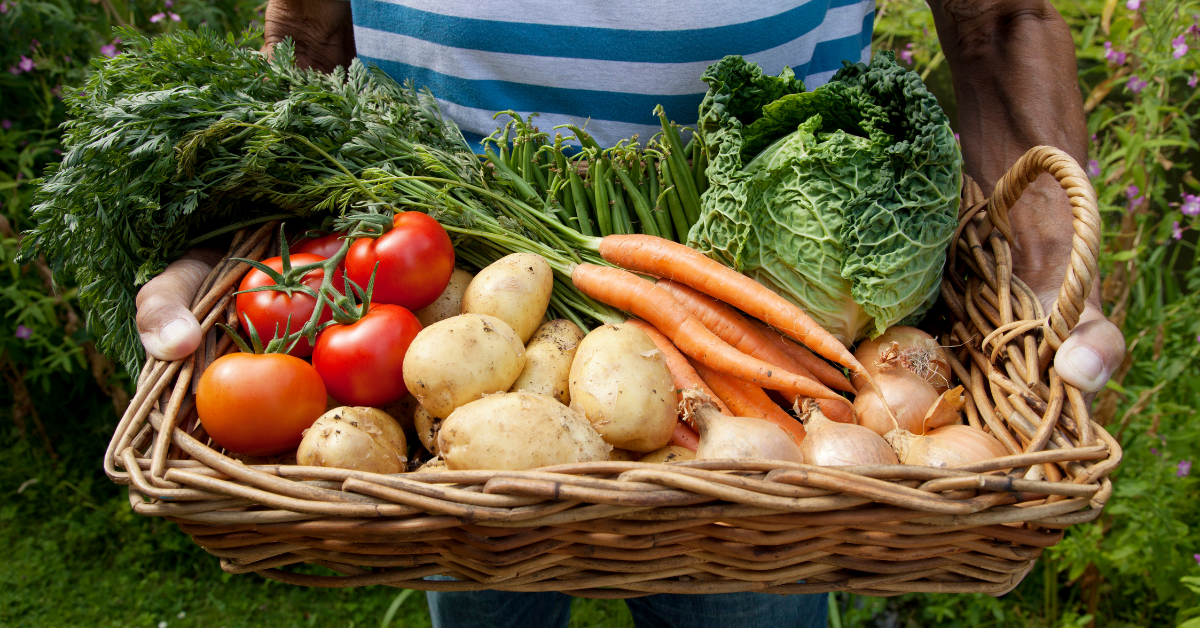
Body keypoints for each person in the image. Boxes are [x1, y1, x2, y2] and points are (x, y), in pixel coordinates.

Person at [133, 1, 1127, 626]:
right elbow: (310, 42)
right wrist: (252, 247)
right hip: (437, 350)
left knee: (751, 604)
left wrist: (1045, 271)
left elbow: (996, 23)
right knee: (478, 579)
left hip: (769, 407)